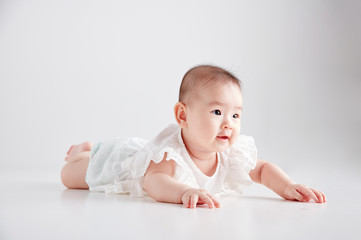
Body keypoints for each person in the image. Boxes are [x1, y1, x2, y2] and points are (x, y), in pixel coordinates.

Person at [61, 65, 326, 209]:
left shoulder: (229, 154)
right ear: (182, 116)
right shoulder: (169, 152)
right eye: (217, 111)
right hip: (120, 162)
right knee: (69, 177)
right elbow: (155, 181)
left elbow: (262, 170)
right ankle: (88, 150)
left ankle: (91, 147)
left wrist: (287, 186)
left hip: (141, 150)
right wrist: (184, 192)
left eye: (235, 115)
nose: (228, 124)